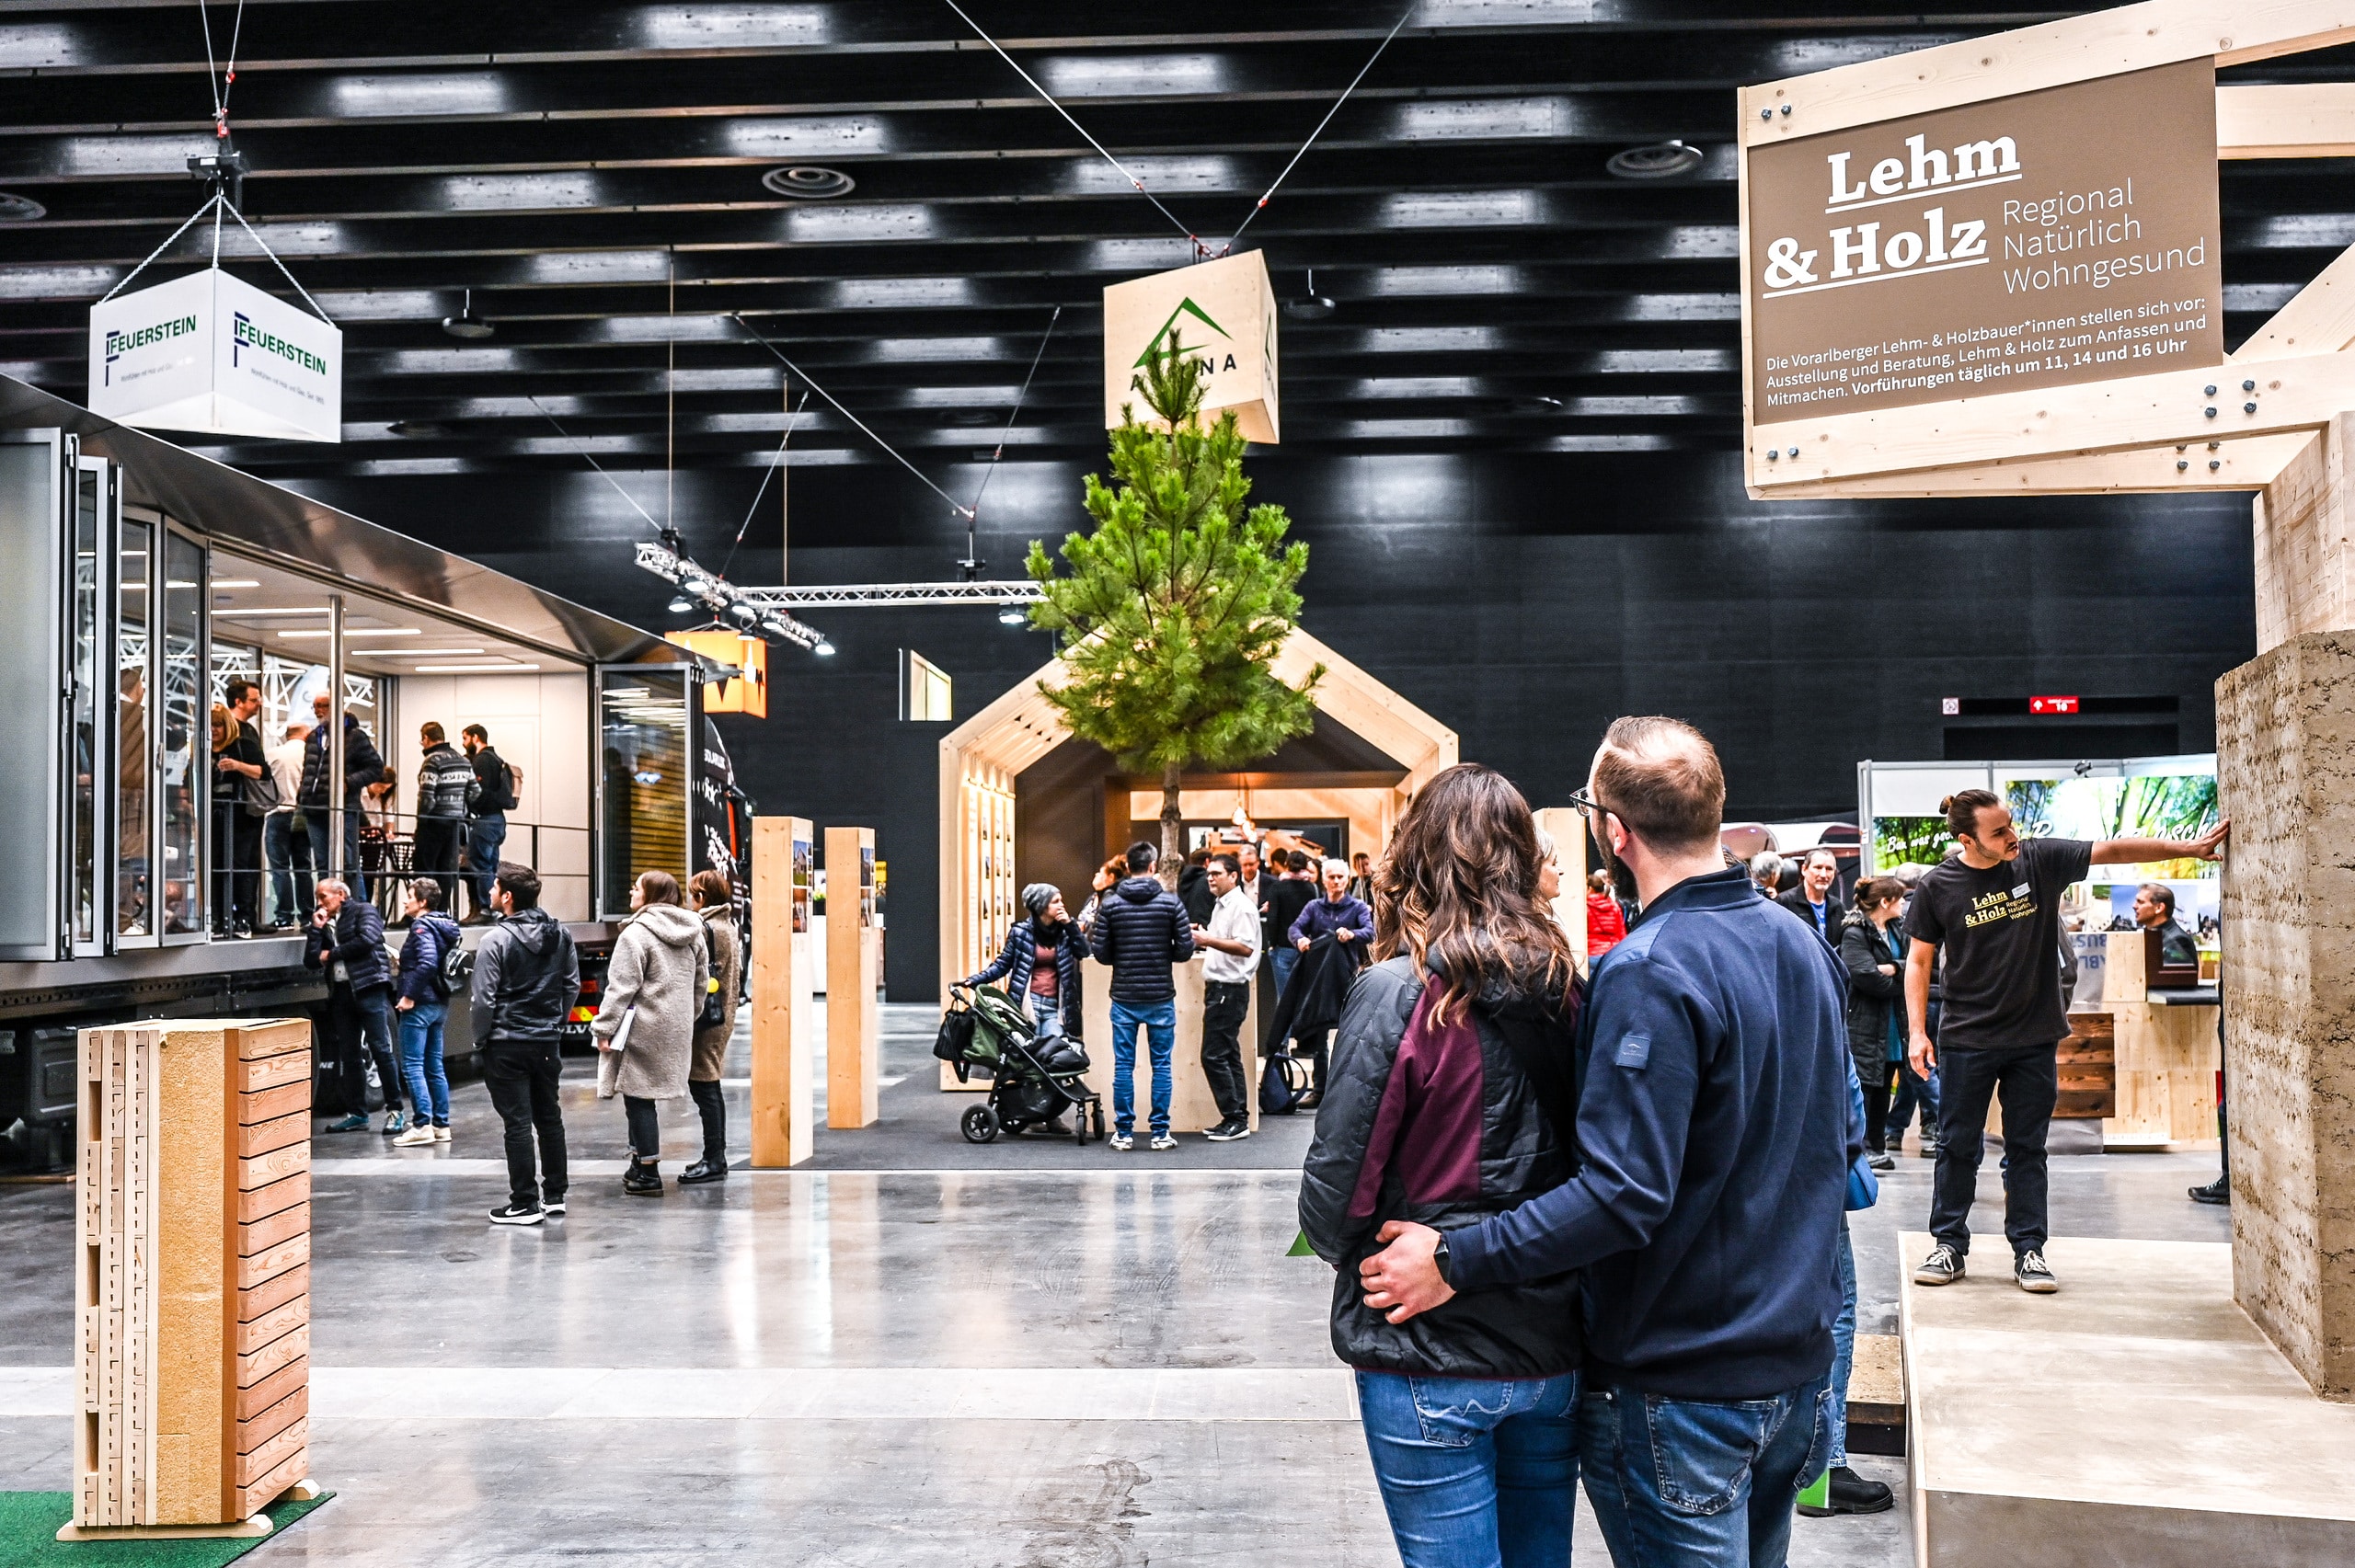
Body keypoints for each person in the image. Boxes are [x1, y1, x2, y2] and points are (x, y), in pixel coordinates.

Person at [1358, 716, 1856, 1568]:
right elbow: (1840, 1141)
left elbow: (1623, 1193)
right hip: (1795, 1373)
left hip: (1683, 1387)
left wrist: (1454, 1258)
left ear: (1614, 832)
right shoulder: (1801, 943)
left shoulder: (1649, 967)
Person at [1300, 763, 1584, 1568]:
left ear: (1415, 857)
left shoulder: (1396, 993)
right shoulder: (1570, 989)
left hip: (1425, 1347)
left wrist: (1373, 1250)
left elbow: (1334, 1195)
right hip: (1549, 1340)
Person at [1908, 790, 2229, 1293]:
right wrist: (1916, 1032)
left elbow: (2115, 850)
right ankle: (1948, 1245)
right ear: (1968, 839)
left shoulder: (2038, 859)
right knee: (1957, 1146)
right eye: (1998, 833)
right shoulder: (1938, 886)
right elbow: (1919, 961)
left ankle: (2030, 1250)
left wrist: (2185, 851)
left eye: (2011, 825)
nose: (2012, 837)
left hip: (2035, 1036)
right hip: (1967, 1037)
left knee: (2028, 1148)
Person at [473, 864, 579, 1225]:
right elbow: (571, 985)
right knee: (549, 1117)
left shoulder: (495, 941)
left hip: (506, 1043)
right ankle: (555, 1196)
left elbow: (483, 1000)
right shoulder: (561, 935)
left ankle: (523, 1203)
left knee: (517, 1122)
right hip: (546, 1041)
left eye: (494, 887)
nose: (489, 893)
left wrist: (480, 1037)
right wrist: (556, 1023)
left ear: (507, 897)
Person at [592, 869, 709, 1197]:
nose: (632, 892)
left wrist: (603, 1028)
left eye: (637, 888)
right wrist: (688, 1016)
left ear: (651, 896)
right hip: (676, 1025)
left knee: (638, 1097)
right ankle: (638, 1162)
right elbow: (701, 984)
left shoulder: (636, 934)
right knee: (642, 1095)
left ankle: (647, 1170)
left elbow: (621, 988)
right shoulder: (694, 932)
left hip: (641, 1026)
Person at [1087, 841, 1196, 1151]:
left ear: (1128, 867)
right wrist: (1164, 956)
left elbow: (1101, 953)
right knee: (1161, 1065)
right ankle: (1160, 1132)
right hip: (1161, 995)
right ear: (1152, 866)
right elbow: (1185, 950)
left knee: (1124, 1065)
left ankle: (1123, 1133)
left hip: (1123, 996)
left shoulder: (1110, 904)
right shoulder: (1170, 903)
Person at [959, 882, 1085, 1138]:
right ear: (1040, 906)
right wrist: (977, 979)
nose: (1061, 905)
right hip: (1025, 1005)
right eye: (1055, 901)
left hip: (1055, 1007)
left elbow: (1084, 951)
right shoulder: (1021, 932)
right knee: (1026, 1061)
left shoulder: (1064, 932)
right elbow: (1004, 963)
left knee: (1055, 1058)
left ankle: (1052, 1116)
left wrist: (1070, 925)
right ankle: (1031, 1114)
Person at [303, 876, 403, 1135]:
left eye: (323, 896)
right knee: (348, 1054)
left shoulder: (363, 911)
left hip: (369, 987)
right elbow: (312, 960)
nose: (320, 902)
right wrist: (315, 929)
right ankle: (357, 1113)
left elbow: (367, 940)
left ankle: (395, 1110)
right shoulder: (323, 922)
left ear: (342, 895)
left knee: (381, 1049)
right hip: (342, 992)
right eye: (317, 898)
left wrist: (331, 954)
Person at [1286, 857, 1375, 1103]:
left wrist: (1352, 934)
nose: (1336, 881)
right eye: (1332, 877)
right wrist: (1300, 940)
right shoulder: (1314, 907)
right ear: (1323, 879)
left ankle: (1350, 1091)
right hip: (1320, 980)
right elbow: (1294, 928)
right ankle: (1320, 1090)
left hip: (1349, 977)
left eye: (1341, 877)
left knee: (1351, 1032)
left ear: (1348, 880)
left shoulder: (1357, 907)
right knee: (1319, 1035)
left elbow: (1371, 932)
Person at [1840, 876, 1910, 1173]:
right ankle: (1863, 1147)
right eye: (1900, 899)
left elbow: (1921, 963)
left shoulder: (1898, 928)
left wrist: (1894, 968)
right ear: (1886, 902)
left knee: (1885, 1086)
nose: (1904, 904)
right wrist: (1903, 979)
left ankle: (1878, 1147)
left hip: (1895, 1023)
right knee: (1867, 1086)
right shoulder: (1855, 933)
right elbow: (1865, 976)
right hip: (1866, 1024)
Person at [1190, 853, 1259, 1141]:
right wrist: (1207, 936)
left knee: (1213, 1055)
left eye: (1217, 873)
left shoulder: (1241, 907)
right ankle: (1236, 1117)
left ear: (1234, 876)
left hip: (1229, 990)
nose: (1210, 878)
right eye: (1209, 874)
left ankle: (1234, 1117)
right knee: (1227, 1054)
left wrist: (1207, 940)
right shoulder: (1224, 905)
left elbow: (1245, 947)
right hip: (1221, 989)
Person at [390, 877, 461, 1148]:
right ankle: (441, 1125)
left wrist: (408, 996)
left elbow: (428, 962)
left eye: (410, 896)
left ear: (422, 902)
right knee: (433, 1065)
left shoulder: (421, 926)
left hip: (419, 1005)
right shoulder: (443, 926)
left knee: (412, 1065)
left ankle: (421, 1124)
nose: (406, 900)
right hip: (439, 1004)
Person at [299, 692, 385, 901]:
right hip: (314, 808)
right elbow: (309, 769)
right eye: (316, 706)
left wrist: (349, 782)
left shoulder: (355, 736)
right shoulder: (314, 737)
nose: (319, 711)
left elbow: (376, 768)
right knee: (322, 864)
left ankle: (359, 912)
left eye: (324, 705)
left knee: (348, 863)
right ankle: (328, 910)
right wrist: (302, 797)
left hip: (342, 809)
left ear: (337, 706)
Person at [684, 869, 741, 1183]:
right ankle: (714, 1156)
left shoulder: (708, 928)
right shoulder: (726, 924)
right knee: (709, 1084)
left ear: (702, 897)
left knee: (705, 1085)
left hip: (708, 1019)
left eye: (692, 894)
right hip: (721, 1016)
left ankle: (714, 1157)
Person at [212, 681, 267, 937]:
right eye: (255, 700)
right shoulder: (215, 745)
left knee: (242, 863)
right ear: (239, 702)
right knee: (221, 864)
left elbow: (262, 771)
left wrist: (236, 766)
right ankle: (223, 917)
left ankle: (243, 917)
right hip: (220, 813)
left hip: (242, 812)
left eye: (218, 725)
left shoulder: (244, 739)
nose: (214, 731)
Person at [413, 722, 476, 912]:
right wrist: (460, 808)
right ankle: (442, 911)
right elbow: (475, 791)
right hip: (455, 824)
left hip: (433, 823)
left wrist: (421, 823)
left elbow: (427, 797)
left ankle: (423, 913)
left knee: (424, 870)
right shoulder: (463, 761)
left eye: (422, 740)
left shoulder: (432, 761)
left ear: (426, 738)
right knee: (446, 871)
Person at [460, 724, 515, 921]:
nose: (463, 743)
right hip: (498, 820)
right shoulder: (497, 759)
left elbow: (478, 793)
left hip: (485, 821)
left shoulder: (482, 760)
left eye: (465, 738)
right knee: (492, 866)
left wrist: (471, 806)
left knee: (481, 865)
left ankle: (486, 909)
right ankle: (496, 908)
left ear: (475, 737)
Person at [263, 721, 311, 929]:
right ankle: (307, 915)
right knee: (303, 867)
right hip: (303, 815)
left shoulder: (273, 754)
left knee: (279, 868)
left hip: (278, 812)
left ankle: (284, 916)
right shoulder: (310, 755)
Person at [1266, 849, 1318, 1000]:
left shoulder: (1277, 887)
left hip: (1283, 946)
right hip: (1306, 947)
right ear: (1305, 866)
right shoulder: (1312, 888)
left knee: (1284, 999)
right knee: (1304, 997)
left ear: (1286, 865)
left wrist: (1272, 943)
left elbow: (1273, 917)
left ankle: (1286, 1024)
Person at [1776, 846, 1847, 945]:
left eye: (1829, 869)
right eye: (1818, 867)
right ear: (1804, 869)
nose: (1823, 875)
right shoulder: (1785, 902)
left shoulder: (1837, 907)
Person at [2132, 882, 2200, 967]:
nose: (2134, 906)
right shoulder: (2155, 935)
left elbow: (2170, 978)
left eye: (2140, 902)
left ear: (2159, 908)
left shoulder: (2178, 940)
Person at [1075, 856, 1124, 935]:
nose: (1096, 874)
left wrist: (1086, 926)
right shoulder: (1092, 897)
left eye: (1101, 873)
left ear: (1111, 877)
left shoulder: (1111, 898)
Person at [1585, 869, 1626, 958]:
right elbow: (1621, 932)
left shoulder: (1585, 907)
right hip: (1612, 952)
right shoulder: (1614, 906)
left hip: (1592, 952)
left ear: (1590, 888)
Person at [1178, 846, 1215, 925]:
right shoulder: (1208, 881)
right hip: (1203, 931)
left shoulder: (1180, 879)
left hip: (1183, 929)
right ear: (1207, 861)